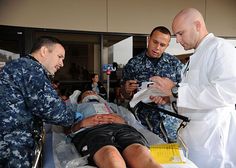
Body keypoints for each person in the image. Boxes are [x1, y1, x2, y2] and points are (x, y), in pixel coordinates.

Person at [150, 8, 236, 168]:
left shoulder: (220, 49)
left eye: (181, 33)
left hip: (211, 139)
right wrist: (170, 98)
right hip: (193, 137)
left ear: (197, 25)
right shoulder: (196, 56)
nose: (178, 40)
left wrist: (175, 91)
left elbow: (228, 92)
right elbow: (193, 96)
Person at [0, 36, 79, 167]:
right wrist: (73, 116)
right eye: (59, 56)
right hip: (13, 144)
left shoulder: (19, 65)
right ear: (44, 51)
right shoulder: (31, 69)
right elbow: (53, 111)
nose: (62, 63)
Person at [66, 90, 163, 168]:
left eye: (92, 92)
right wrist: (81, 124)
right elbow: (64, 129)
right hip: (92, 131)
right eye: (86, 93)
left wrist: (123, 121)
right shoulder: (76, 107)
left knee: (139, 151)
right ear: (80, 99)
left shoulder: (112, 106)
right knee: (110, 153)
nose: (90, 93)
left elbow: (131, 120)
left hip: (122, 128)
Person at [121, 26, 183, 142]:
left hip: (170, 124)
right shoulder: (133, 64)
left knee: (173, 158)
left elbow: (183, 91)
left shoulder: (175, 64)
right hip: (143, 124)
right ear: (149, 39)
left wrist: (168, 98)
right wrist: (126, 90)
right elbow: (125, 95)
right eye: (155, 42)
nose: (157, 47)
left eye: (162, 45)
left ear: (167, 46)